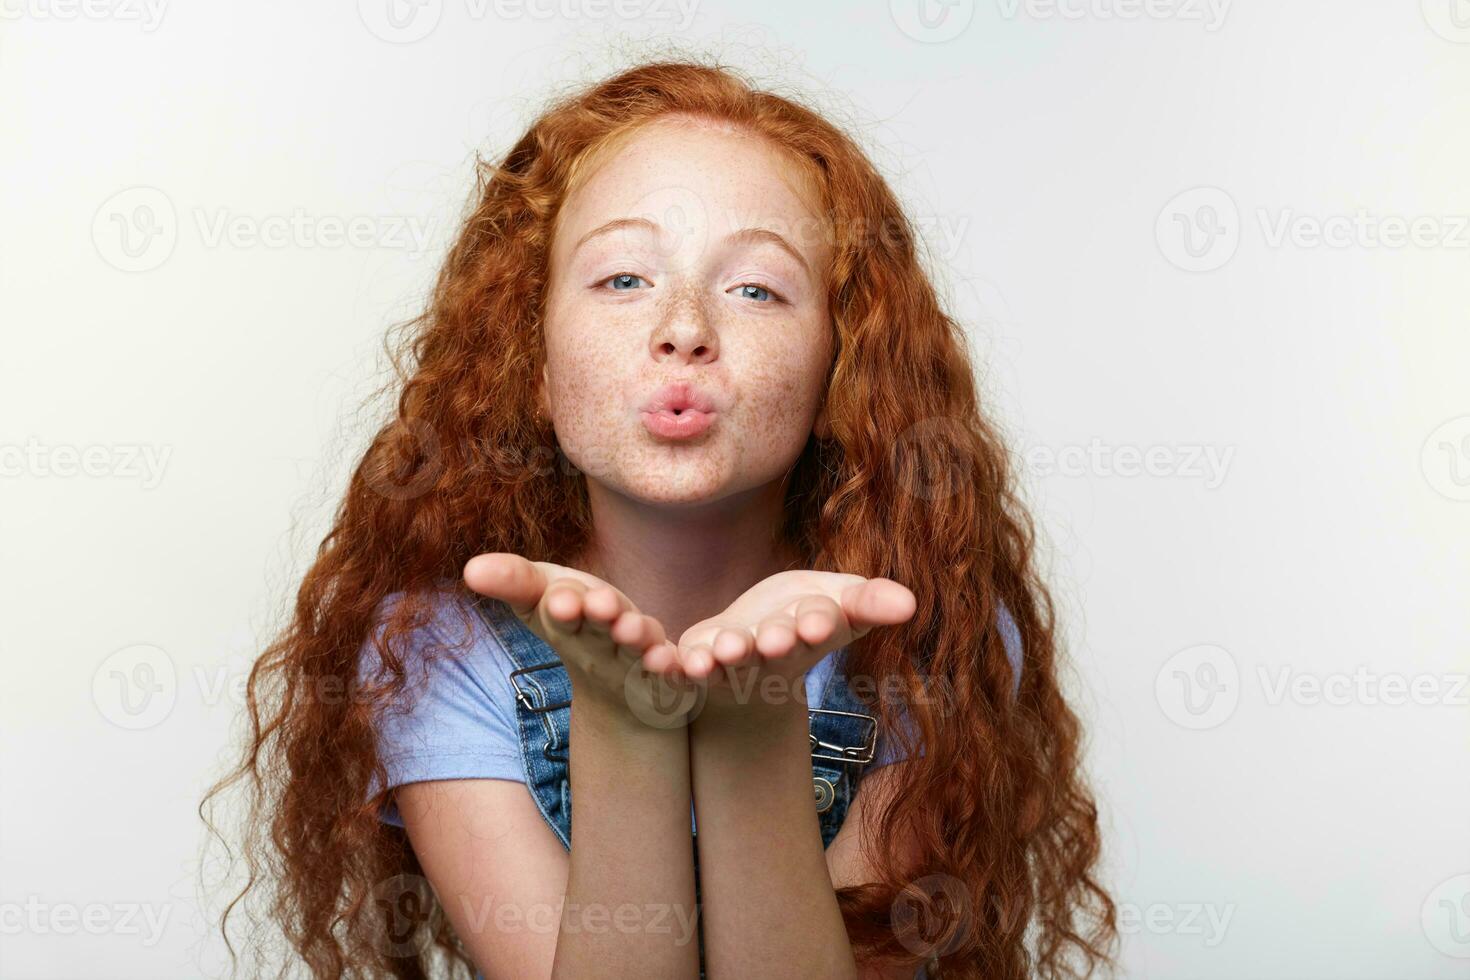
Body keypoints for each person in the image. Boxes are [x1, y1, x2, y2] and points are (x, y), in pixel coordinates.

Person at [203, 58, 1116, 979]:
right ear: (536, 368)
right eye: (623, 279)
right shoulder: (434, 649)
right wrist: (625, 724)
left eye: (755, 289)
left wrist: (747, 727)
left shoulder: (927, 637)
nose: (684, 327)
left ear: (839, 377)